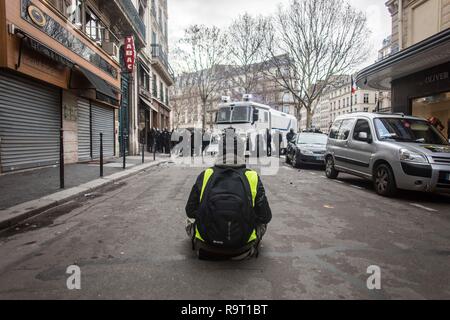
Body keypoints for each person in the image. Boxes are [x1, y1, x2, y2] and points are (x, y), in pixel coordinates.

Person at [185, 134, 272, 260]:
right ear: (242, 153)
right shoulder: (252, 177)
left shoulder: (206, 175)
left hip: (207, 245)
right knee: (262, 223)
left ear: (220, 152)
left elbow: (190, 211)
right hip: (242, 247)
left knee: (189, 221)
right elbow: (265, 216)